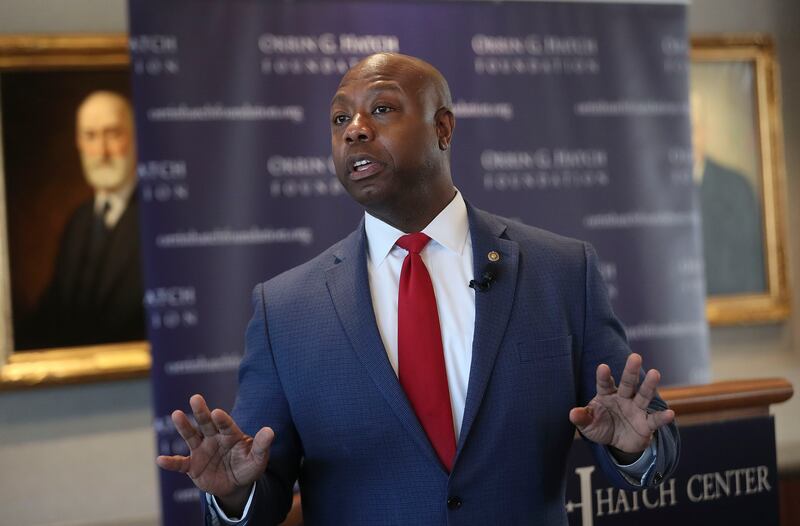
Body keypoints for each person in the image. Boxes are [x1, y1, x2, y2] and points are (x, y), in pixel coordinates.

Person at [157, 53, 679, 525]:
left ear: (443, 128)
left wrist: (634, 449)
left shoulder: (561, 272)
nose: (355, 131)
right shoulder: (286, 309)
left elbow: (644, 433)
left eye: (381, 110)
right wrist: (235, 495)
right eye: (340, 119)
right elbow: (261, 481)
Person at [26, 91, 144, 348]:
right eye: (90, 136)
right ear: (78, 143)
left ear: (136, 136)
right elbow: (54, 314)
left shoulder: (159, 218)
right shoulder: (78, 221)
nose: (101, 151)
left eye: (113, 134)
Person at [691, 92, 766, 296]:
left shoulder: (736, 188)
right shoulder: (650, 195)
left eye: (692, 129)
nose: (684, 140)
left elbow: (753, 270)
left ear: (703, 132)